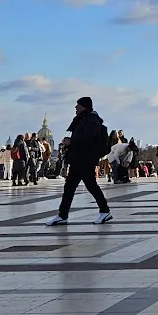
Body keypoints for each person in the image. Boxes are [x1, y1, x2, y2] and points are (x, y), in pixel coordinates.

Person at [48, 96, 113, 226]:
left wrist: (72, 141)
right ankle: (63, 215)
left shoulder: (91, 120)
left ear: (84, 106)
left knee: (89, 186)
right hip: (79, 159)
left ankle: (104, 211)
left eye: (77, 105)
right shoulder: (84, 119)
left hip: (85, 159)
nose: (75, 108)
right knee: (71, 187)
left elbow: (88, 138)